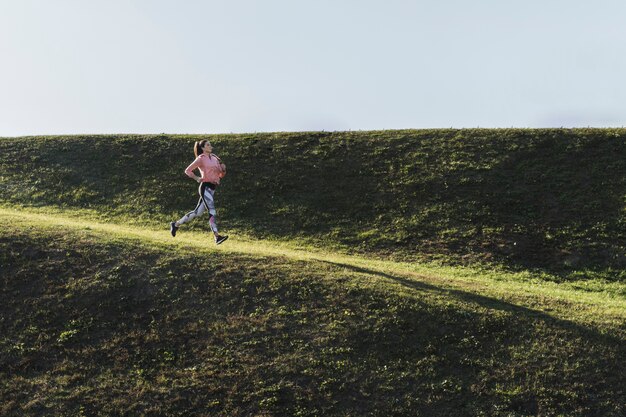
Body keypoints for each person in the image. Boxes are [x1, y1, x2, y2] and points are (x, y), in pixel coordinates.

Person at [170, 139, 228, 244]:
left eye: (210, 144)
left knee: (197, 213)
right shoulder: (201, 159)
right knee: (212, 210)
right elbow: (187, 170)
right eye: (208, 145)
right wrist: (197, 178)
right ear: (203, 148)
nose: (211, 146)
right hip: (205, 187)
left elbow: (220, 175)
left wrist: (223, 170)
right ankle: (216, 236)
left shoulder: (215, 158)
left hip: (212, 188)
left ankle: (175, 224)